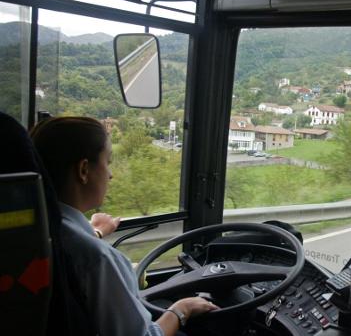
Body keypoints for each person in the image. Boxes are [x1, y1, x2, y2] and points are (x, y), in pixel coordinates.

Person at [30, 116, 217, 336]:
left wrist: (96, 232)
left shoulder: (36, 230)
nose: (110, 174)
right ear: (83, 170)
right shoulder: (98, 258)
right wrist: (182, 309)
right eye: (107, 162)